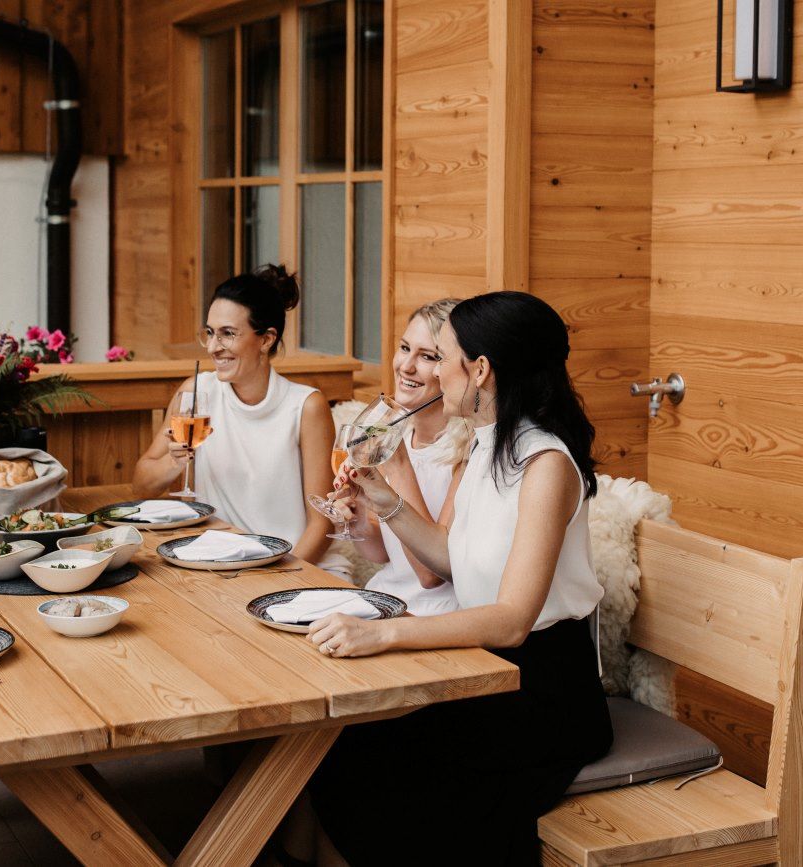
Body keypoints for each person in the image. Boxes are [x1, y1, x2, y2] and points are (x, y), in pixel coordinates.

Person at [303, 291, 612, 865]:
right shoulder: (490, 446)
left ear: (481, 370)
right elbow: (448, 559)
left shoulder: (546, 465)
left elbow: (514, 619)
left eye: (441, 358)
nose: (432, 373)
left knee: (374, 763)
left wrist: (384, 634)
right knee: (344, 745)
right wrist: (383, 498)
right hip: (483, 670)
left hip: (546, 691)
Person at [132, 265, 347, 576]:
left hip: (299, 565)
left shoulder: (305, 406)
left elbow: (322, 521)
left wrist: (274, 580)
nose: (213, 346)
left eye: (228, 334)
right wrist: (174, 463)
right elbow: (141, 486)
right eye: (209, 332)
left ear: (266, 339)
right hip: (223, 565)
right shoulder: (196, 393)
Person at [330, 299, 469, 614]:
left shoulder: (466, 452)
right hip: (385, 600)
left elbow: (430, 575)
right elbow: (382, 554)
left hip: (434, 615)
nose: (406, 366)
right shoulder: (397, 434)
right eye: (405, 348)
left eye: (428, 356)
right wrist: (359, 517)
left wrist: (399, 466)